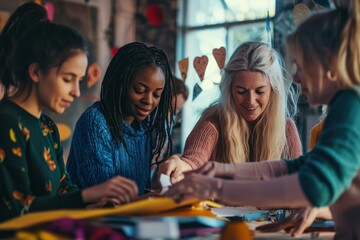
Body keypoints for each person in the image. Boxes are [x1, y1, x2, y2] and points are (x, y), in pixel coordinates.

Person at [165, 0, 360, 238]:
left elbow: (311, 186)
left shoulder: (351, 105)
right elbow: (299, 167)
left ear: (328, 63)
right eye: (241, 91)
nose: (296, 77)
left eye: (301, 65)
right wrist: (224, 170)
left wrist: (217, 186)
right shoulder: (348, 103)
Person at [0, 3, 138, 222]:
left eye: (79, 81)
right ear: (36, 71)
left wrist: (98, 202)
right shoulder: (6, 122)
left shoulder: (48, 127)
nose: (75, 91)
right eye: (67, 79)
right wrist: (87, 195)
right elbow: (16, 209)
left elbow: (63, 189)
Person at [159, 41, 302, 184]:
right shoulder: (212, 124)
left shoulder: (287, 129)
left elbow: (299, 183)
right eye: (241, 91)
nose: (250, 100)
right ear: (229, 89)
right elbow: (193, 161)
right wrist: (180, 165)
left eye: (260, 91)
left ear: (273, 90)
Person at [66, 42, 175, 195]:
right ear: (120, 83)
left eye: (157, 94)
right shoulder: (95, 122)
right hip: (91, 218)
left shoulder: (143, 128)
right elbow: (108, 199)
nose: (149, 101)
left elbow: (141, 191)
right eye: (139, 90)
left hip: (129, 217)